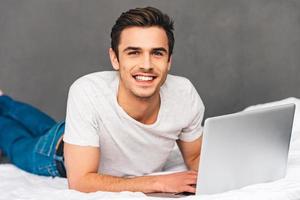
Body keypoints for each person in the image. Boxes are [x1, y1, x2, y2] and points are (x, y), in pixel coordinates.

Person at [0, 7, 205, 194]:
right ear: (115, 58)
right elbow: (80, 181)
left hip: (80, 137)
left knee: (35, 122)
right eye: (133, 52)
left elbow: (195, 157)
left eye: (157, 53)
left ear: (169, 61)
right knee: (13, 139)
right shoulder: (87, 90)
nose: (146, 65)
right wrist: (157, 183)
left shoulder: (184, 94)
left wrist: (223, 172)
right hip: (55, 153)